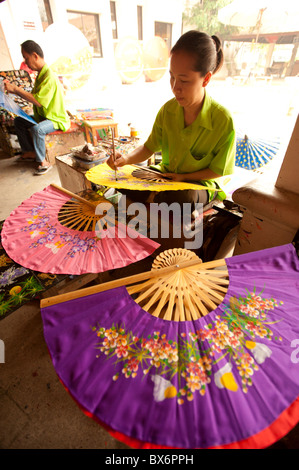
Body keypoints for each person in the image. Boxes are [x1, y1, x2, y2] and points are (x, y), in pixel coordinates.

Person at [107, 31, 236, 210]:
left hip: (198, 184)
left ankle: (157, 199)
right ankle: (157, 198)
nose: (175, 88)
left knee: (183, 197)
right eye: (172, 77)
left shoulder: (222, 120)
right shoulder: (168, 110)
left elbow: (216, 171)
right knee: (123, 181)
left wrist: (184, 178)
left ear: (206, 79)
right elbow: (149, 147)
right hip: (166, 176)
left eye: (184, 80)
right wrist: (125, 159)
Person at [4, 40, 70, 175]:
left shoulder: (49, 76)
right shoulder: (41, 75)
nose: (26, 62)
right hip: (44, 116)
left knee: (37, 129)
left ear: (35, 55)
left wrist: (15, 89)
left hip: (56, 119)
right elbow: (33, 97)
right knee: (19, 121)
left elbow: (37, 101)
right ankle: (29, 151)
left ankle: (43, 161)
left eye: (26, 58)